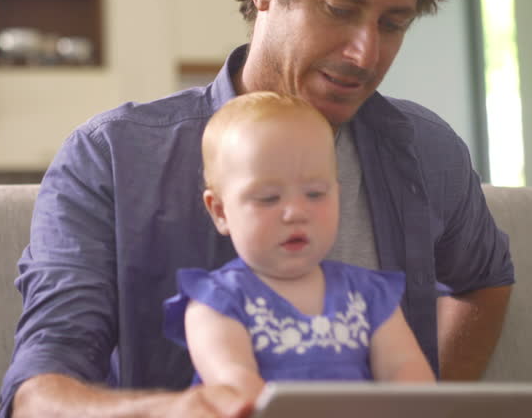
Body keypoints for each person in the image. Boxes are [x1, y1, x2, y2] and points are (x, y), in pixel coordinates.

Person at [0, 0, 515, 417]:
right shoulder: (110, 158)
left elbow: (486, 280)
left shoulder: (429, 152)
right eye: (340, 9)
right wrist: (172, 411)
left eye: (392, 24)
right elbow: (38, 393)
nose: (366, 54)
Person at [162, 92, 435, 401]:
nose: (296, 212)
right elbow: (238, 389)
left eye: (316, 194)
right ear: (221, 212)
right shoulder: (215, 302)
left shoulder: (370, 294)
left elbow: (408, 375)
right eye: (268, 198)